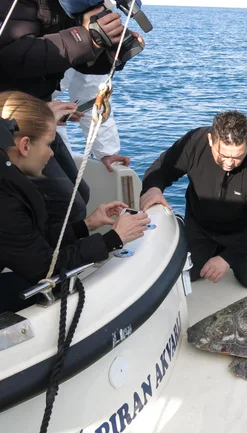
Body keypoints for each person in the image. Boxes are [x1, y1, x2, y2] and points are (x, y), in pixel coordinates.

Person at [0, 91, 150, 313]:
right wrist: (114, 239)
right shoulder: (7, 202)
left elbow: (29, 246)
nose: (51, 154)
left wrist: (86, 225)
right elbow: (45, 269)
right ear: (25, 146)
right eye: (49, 144)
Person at [0, 0, 143, 224]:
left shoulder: (72, 4)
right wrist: (87, 38)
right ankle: (47, 257)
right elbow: (11, 55)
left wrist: (107, 51)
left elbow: (83, 71)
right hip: (12, 122)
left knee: (81, 195)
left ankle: (58, 254)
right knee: (65, 204)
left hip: (40, 113)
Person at [140, 111, 247, 289]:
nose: (229, 163)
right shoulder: (195, 142)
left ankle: (221, 252)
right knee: (189, 274)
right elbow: (162, 168)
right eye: (223, 155)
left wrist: (226, 258)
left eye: (237, 157)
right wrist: (154, 188)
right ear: (210, 140)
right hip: (201, 225)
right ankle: (183, 230)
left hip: (240, 233)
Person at [54, 69, 131, 172]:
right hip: (37, 126)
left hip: (47, 130)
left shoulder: (84, 55)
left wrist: (107, 152)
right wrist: (46, 111)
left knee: (68, 182)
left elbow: (93, 99)